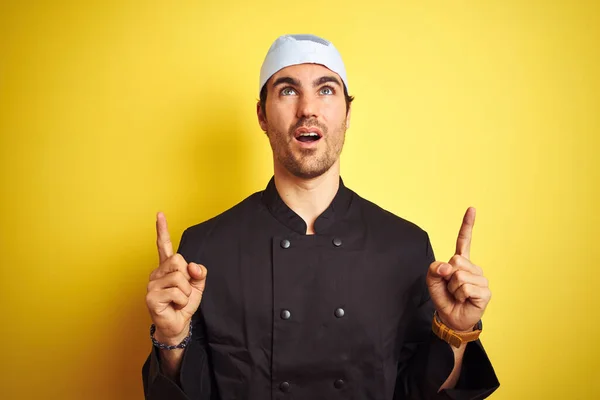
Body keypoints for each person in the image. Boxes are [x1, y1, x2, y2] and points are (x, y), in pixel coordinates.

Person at [142, 34, 499, 399]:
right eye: (287, 91)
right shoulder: (205, 247)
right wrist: (172, 338)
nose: (308, 108)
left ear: (347, 114)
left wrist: (456, 333)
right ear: (262, 116)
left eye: (326, 90)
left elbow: (420, 393)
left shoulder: (406, 247)